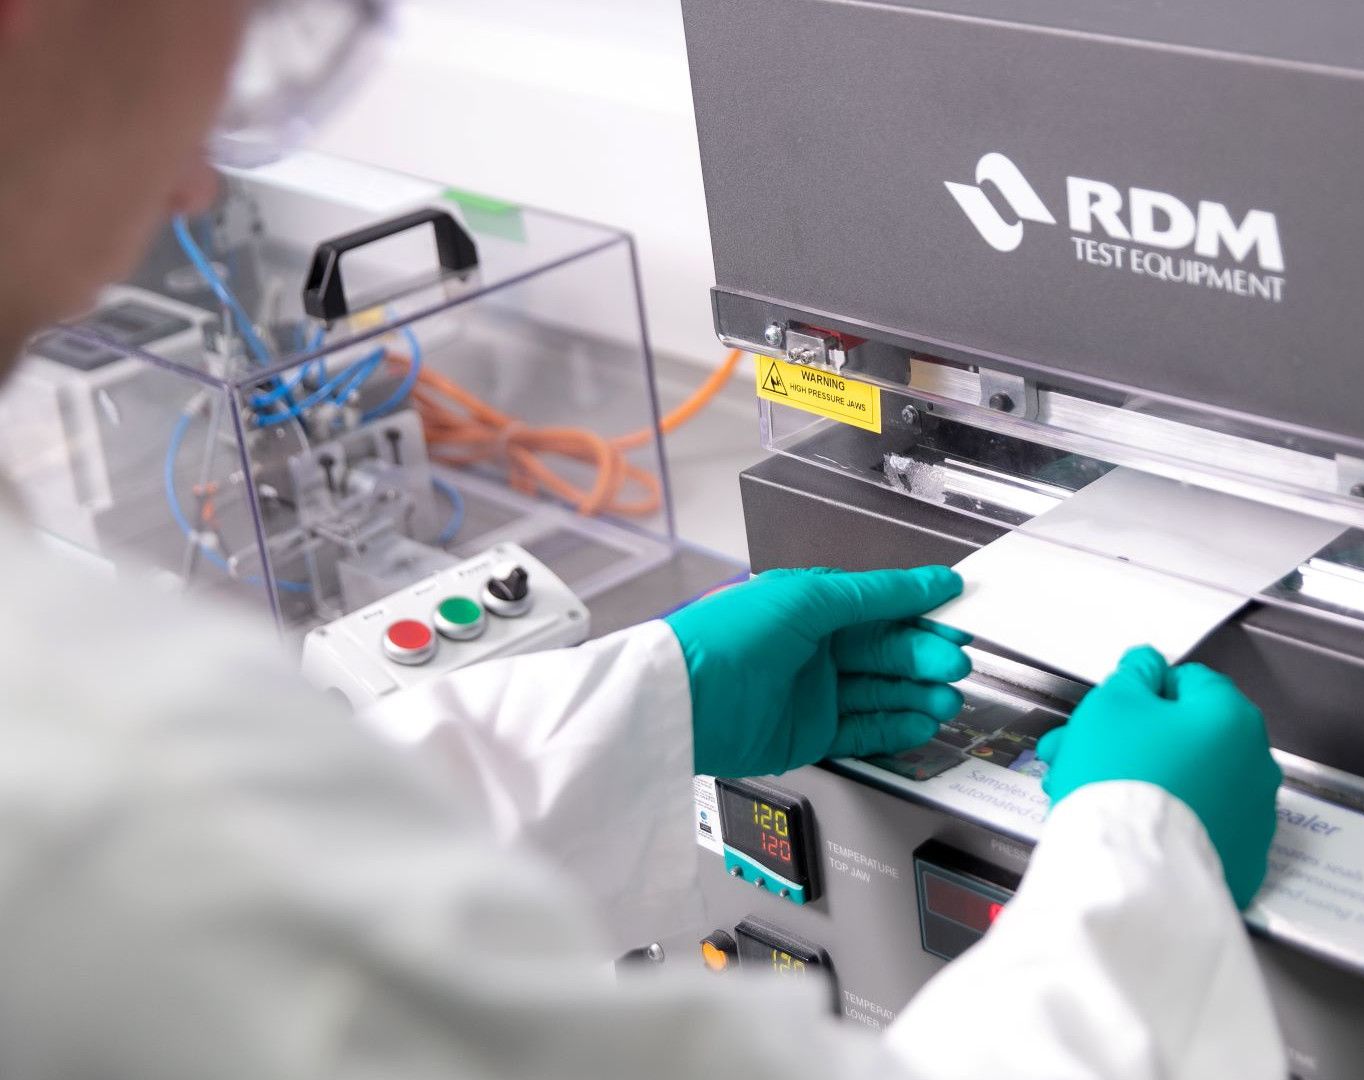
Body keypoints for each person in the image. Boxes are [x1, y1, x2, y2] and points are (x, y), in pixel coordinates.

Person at [0, 0, 1287, 1076]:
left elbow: (265, 870)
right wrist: (1142, 864)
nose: (198, 183)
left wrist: (642, 703)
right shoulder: (88, 781)